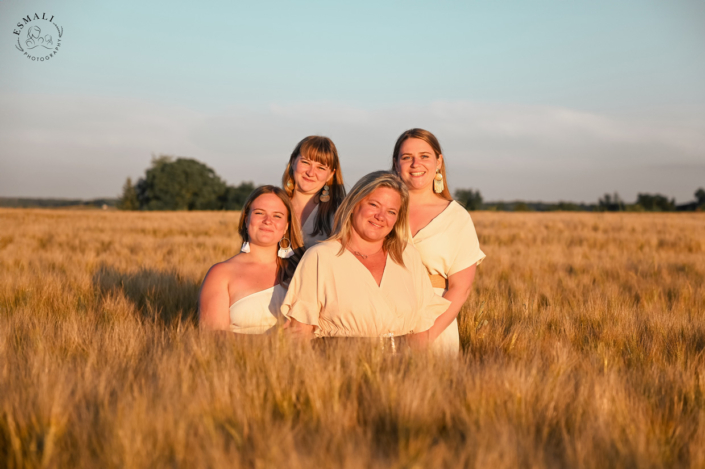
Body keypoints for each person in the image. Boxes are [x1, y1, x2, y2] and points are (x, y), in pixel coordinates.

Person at [281, 171, 450, 347]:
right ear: (354, 204)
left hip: (403, 368)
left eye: (391, 211)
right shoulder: (320, 257)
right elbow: (300, 332)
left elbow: (420, 331)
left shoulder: (407, 255)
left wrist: (419, 370)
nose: (380, 216)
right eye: (374, 205)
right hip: (339, 366)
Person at [391, 128, 486, 355]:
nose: (416, 164)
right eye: (407, 158)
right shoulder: (381, 210)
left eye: (424, 156)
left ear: (438, 162)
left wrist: (426, 336)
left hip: (435, 324)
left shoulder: (456, 217)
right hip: (382, 319)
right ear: (396, 164)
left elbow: (460, 288)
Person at [199, 186, 303, 334]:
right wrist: (272, 342)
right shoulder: (220, 273)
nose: (268, 221)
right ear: (246, 219)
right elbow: (212, 337)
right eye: (259, 213)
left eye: (277, 216)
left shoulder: (301, 271)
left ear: (286, 226)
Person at [282, 136, 345, 248]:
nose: (310, 173)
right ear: (293, 161)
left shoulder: (339, 215)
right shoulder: (274, 205)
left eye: (321, 168)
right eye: (305, 162)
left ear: (331, 174)